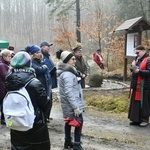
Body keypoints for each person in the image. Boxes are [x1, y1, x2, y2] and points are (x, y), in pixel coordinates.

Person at [5, 51, 51, 149]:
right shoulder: (34, 83)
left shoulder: (8, 81)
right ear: (28, 64)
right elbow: (46, 104)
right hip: (35, 124)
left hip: (15, 123)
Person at [56, 49, 84, 150]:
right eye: (72, 59)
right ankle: (76, 144)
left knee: (69, 122)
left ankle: (67, 142)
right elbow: (68, 92)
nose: (75, 60)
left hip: (70, 103)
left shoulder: (68, 72)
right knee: (79, 122)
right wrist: (76, 107)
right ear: (67, 61)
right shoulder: (68, 74)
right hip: (72, 104)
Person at [26, 45, 52, 122]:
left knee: (45, 101)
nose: (39, 54)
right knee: (39, 102)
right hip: (38, 85)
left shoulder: (39, 61)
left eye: (40, 52)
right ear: (33, 54)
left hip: (44, 84)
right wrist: (45, 67)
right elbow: (38, 70)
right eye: (37, 52)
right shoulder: (32, 62)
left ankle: (45, 116)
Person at [128, 45, 150, 127]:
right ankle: (136, 119)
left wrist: (139, 71)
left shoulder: (148, 60)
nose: (137, 54)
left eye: (138, 52)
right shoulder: (137, 59)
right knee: (136, 103)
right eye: (136, 53)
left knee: (144, 104)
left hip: (145, 85)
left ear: (143, 51)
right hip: (136, 84)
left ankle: (144, 120)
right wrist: (133, 65)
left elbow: (149, 72)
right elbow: (133, 69)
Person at [40, 41, 57, 121]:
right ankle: (45, 116)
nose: (49, 48)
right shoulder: (42, 57)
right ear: (43, 47)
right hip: (45, 82)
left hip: (50, 80)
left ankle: (47, 115)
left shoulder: (48, 56)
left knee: (50, 99)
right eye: (48, 46)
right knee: (47, 99)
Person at [0, 49, 12, 125]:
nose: (10, 58)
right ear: (4, 57)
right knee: (3, 103)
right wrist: (10, 69)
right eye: (9, 56)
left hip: (4, 87)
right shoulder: (2, 65)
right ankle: (3, 119)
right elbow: (6, 76)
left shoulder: (6, 64)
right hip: (2, 88)